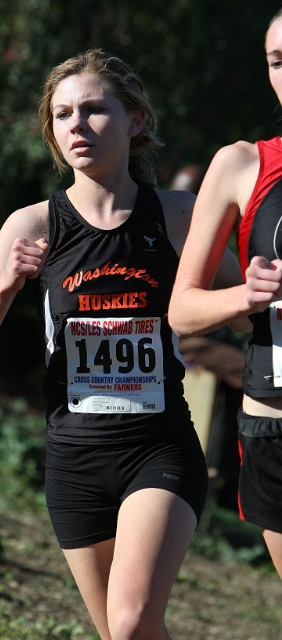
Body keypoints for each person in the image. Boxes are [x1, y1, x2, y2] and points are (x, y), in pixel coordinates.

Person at [0, 49, 248, 639]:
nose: (76, 126)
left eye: (93, 110)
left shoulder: (179, 216)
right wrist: (5, 286)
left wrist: (249, 292)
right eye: (62, 115)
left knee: (132, 621)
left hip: (157, 447)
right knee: (119, 634)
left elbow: (246, 314)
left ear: (134, 121)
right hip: (74, 459)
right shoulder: (32, 225)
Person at [168, 10, 282, 580]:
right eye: (278, 62)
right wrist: (245, 295)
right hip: (275, 417)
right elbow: (182, 308)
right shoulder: (242, 163)